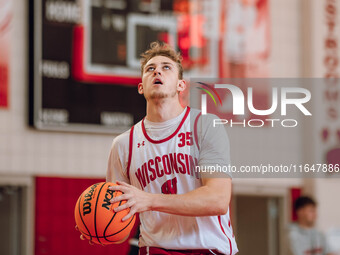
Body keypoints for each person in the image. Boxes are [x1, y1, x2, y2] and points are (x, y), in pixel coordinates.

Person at [105, 41, 238, 255]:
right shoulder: (123, 145)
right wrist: (98, 227)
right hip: (155, 249)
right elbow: (116, 214)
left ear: (180, 85)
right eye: (150, 68)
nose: (157, 70)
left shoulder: (205, 126)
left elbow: (218, 199)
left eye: (166, 67)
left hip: (207, 249)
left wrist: (149, 200)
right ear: (141, 87)